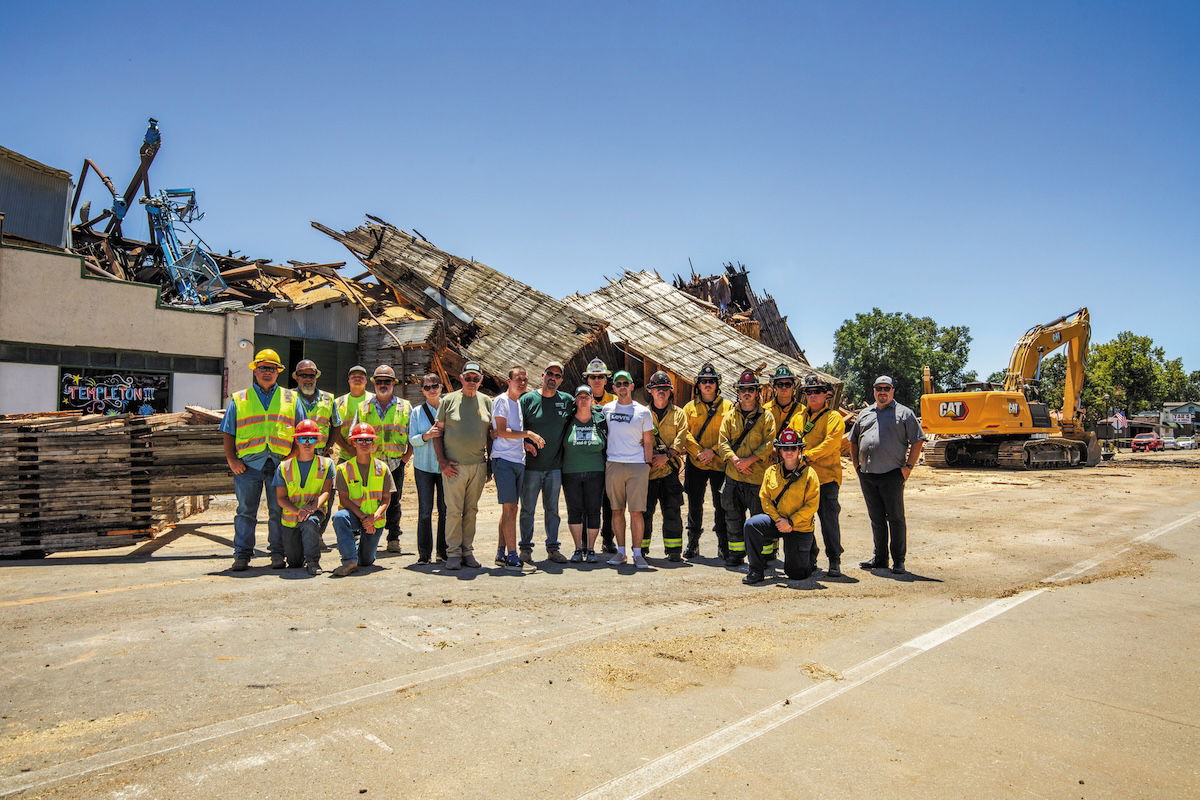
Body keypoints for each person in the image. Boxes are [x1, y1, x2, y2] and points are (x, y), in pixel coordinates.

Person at [221, 348, 305, 571]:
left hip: (280, 464)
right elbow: (228, 432)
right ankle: (242, 555)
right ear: (255, 370)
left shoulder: (291, 398)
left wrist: (292, 457)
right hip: (248, 466)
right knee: (246, 511)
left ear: (278, 372)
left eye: (271, 368)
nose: (267, 372)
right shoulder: (240, 399)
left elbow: (301, 431)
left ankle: (277, 554)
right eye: (262, 368)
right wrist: (232, 460)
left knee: (278, 511)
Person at [848, 375, 926, 575]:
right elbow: (853, 440)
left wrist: (908, 467)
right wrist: (857, 466)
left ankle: (898, 561)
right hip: (867, 474)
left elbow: (917, 440)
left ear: (893, 391)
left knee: (896, 518)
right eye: (878, 388)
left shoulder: (904, 413)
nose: (882, 392)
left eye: (886, 388)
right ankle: (880, 558)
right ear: (873, 390)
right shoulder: (865, 414)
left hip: (893, 474)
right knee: (876, 519)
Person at [434, 361, 493, 570]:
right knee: (453, 511)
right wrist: (442, 462)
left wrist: (490, 465)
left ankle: (467, 551)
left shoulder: (486, 402)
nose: (471, 382)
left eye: (475, 378)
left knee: (471, 510)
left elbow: (490, 435)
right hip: (454, 467)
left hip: (478, 465)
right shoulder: (448, 401)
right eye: (467, 378)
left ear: (480, 380)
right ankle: (453, 553)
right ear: (461, 378)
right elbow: (436, 433)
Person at [742, 428, 821, 584]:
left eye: (793, 448)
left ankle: (810, 552)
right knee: (751, 524)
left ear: (800, 450)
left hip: (799, 526)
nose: (789, 452)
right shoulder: (771, 472)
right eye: (785, 448)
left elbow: (812, 505)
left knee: (796, 574)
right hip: (777, 522)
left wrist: (791, 522)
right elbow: (764, 498)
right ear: (779, 450)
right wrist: (779, 520)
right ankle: (755, 571)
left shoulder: (810, 474)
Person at [716, 369, 777, 567]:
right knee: (733, 517)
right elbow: (722, 442)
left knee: (759, 519)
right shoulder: (729, 416)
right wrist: (735, 461)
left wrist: (749, 460)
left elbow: (769, 443)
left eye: (751, 389)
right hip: (734, 476)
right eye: (743, 389)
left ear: (757, 391)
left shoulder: (766, 417)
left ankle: (764, 555)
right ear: (738, 392)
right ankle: (736, 554)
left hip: (757, 478)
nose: (747, 393)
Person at [518, 361, 574, 565]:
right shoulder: (528, 400)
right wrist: (524, 442)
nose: (553, 378)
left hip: (554, 467)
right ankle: (525, 549)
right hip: (531, 467)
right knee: (527, 510)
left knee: (553, 510)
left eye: (557, 376)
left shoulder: (567, 401)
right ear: (542, 375)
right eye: (550, 373)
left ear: (561, 380)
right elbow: (516, 428)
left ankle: (553, 549)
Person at [491, 366, 545, 571]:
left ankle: (501, 553)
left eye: (525, 379)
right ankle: (512, 556)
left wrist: (524, 444)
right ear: (509, 380)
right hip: (504, 460)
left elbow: (508, 432)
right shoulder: (502, 401)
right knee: (510, 508)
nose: (522, 383)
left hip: (517, 459)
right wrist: (528, 434)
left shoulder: (518, 403)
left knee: (509, 510)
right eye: (518, 379)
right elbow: (502, 431)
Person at [793, 373, 846, 576]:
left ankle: (834, 560)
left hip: (826, 479)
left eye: (817, 392)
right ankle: (810, 557)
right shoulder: (798, 418)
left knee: (828, 521)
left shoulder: (834, 418)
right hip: (803, 479)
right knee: (804, 520)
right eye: (809, 392)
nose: (813, 396)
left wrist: (806, 456)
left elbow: (831, 443)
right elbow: (789, 441)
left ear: (827, 395)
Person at [602, 370, 655, 569]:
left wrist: (647, 464)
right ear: (614, 388)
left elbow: (648, 440)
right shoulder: (606, 409)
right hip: (614, 463)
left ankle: (638, 554)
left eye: (626, 383)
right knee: (616, 510)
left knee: (636, 512)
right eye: (618, 384)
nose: (622, 386)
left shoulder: (642, 411)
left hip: (637, 465)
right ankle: (621, 552)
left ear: (632, 386)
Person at [358, 365, 412, 554]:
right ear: (373, 383)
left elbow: (412, 436)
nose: (383, 384)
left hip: (395, 462)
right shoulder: (363, 407)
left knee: (394, 500)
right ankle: (367, 534)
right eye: (379, 381)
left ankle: (393, 537)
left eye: (386, 381)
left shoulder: (405, 406)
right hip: (371, 464)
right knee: (368, 499)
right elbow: (355, 434)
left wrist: (406, 458)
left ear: (393, 384)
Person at [330, 423, 395, 576]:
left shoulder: (383, 468)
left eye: (368, 440)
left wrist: (374, 517)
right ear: (353, 442)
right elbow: (344, 500)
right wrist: (364, 518)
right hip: (355, 516)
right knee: (339, 517)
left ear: (373, 443)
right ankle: (349, 561)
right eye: (360, 440)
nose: (364, 444)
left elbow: (386, 499)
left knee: (366, 561)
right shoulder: (343, 469)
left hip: (375, 519)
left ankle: (355, 549)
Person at [682, 363, 733, 559]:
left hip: (720, 464)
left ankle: (723, 544)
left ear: (717, 384)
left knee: (721, 504)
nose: (708, 385)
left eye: (711, 381)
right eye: (704, 381)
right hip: (696, 463)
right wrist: (699, 452)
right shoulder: (689, 408)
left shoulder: (728, 406)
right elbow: (684, 433)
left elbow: (731, 434)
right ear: (698, 385)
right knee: (695, 503)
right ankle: (693, 543)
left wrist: (713, 452)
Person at [272, 419, 333, 576]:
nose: (307, 442)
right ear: (296, 440)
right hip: (291, 517)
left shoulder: (326, 464)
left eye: (311, 438)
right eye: (302, 438)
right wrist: (297, 511)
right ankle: (301, 555)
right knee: (294, 562)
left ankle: (313, 561)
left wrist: (313, 507)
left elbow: (326, 492)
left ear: (318, 440)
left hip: (314, 511)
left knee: (310, 522)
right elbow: (281, 498)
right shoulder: (284, 467)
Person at [643, 371, 689, 561]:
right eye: (657, 389)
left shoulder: (679, 414)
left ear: (670, 391)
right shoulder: (643, 413)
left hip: (670, 470)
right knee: (645, 512)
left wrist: (667, 456)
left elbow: (682, 437)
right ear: (651, 391)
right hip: (648, 472)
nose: (661, 392)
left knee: (672, 511)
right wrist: (653, 457)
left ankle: (674, 550)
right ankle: (642, 549)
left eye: (664, 389)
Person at [562, 385, 607, 563]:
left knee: (594, 511)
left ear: (591, 399)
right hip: (571, 472)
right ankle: (578, 548)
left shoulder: (600, 420)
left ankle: (591, 549)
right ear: (575, 400)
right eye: (579, 397)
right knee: (574, 511)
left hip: (596, 472)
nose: (583, 400)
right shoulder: (567, 421)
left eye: (586, 397)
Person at [407, 373, 448, 564]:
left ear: (441, 387)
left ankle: (443, 552)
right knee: (424, 510)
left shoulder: (448, 407)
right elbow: (412, 439)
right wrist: (426, 436)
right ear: (422, 391)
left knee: (445, 510)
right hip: (423, 466)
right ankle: (424, 554)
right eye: (427, 387)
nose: (432, 390)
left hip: (444, 467)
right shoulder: (416, 412)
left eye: (435, 386)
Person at [584, 358, 618, 553]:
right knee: (589, 501)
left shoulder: (615, 402)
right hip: (589, 458)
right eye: (593, 377)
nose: (597, 380)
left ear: (606, 380)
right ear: (588, 380)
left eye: (600, 377)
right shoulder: (580, 400)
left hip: (610, 457)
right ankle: (587, 542)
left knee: (609, 502)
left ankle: (608, 539)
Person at [291, 359, 343, 456]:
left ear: (316, 378)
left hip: (321, 453)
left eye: (311, 376)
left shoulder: (328, 399)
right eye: (304, 375)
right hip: (296, 453)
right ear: (297, 378)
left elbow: (337, 425)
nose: (308, 379)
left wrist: (330, 445)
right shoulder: (289, 397)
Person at [334, 365, 374, 461]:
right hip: (346, 456)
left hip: (371, 456)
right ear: (349, 381)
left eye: (361, 377)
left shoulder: (374, 400)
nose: (357, 378)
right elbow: (334, 430)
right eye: (353, 377)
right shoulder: (338, 403)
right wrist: (348, 449)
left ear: (366, 381)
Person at [764, 364, 802, 449]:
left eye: (788, 384)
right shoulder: (765, 410)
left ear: (793, 386)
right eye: (780, 384)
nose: (784, 387)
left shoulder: (803, 411)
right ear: (774, 387)